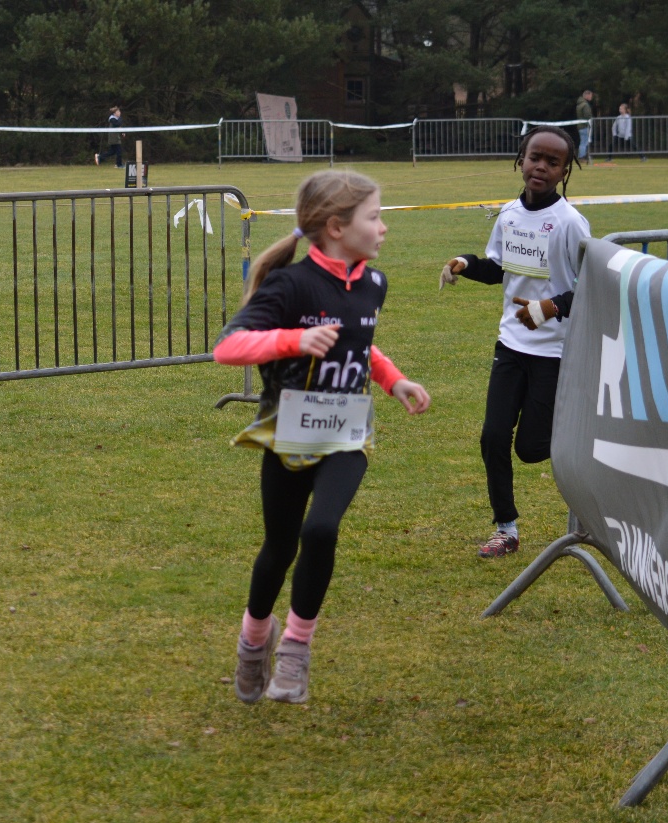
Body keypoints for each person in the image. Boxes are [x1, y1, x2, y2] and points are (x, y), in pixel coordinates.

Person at [214, 170, 431, 705]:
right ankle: (253, 640)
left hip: (346, 435)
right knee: (279, 547)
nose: (383, 229)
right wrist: (294, 339)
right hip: (289, 435)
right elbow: (228, 348)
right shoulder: (290, 285)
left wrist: (392, 379)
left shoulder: (374, 283)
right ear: (336, 227)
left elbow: (360, 346)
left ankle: (295, 651)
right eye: (374, 217)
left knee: (321, 529)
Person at [438, 126, 591, 558]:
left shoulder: (570, 224)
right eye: (533, 157)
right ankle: (506, 529)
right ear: (520, 160)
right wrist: (465, 263)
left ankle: (584, 430)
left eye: (552, 161)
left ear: (565, 172)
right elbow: (499, 269)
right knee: (493, 437)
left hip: (555, 353)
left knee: (530, 449)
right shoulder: (508, 214)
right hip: (511, 346)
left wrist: (551, 306)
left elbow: (592, 289)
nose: (540, 166)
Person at [575, 90, 594, 160]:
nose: (591, 97)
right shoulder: (585, 105)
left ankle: (582, 155)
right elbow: (587, 116)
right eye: (590, 95)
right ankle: (582, 156)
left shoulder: (579, 104)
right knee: (584, 141)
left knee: (582, 141)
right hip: (584, 126)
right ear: (587, 95)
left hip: (580, 126)